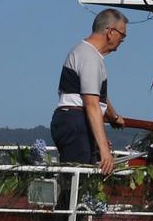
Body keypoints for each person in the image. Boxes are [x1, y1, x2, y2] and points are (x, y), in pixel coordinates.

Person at [49, 10, 129, 176]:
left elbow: (98, 96)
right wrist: (105, 151)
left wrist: (113, 116)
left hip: (70, 120)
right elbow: (91, 104)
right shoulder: (90, 58)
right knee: (77, 180)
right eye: (122, 35)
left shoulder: (86, 53)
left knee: (77, 179)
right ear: (110, 32)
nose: (122, 40)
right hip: (77, 122)